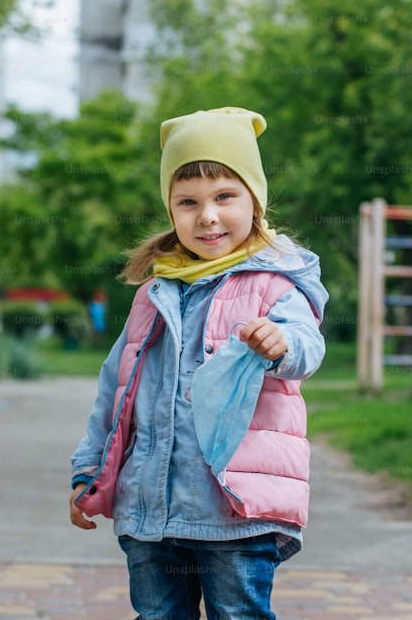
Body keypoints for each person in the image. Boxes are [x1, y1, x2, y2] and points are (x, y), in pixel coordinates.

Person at [69, 106, 328, 620]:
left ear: (254, 200)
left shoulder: (276, 281)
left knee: (238, 614)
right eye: (188, 202)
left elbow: (306, 346)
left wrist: (280, 343)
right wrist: (91, 471)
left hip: (233, 506)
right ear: (171, 211)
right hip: (151, 507)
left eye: (224, 197)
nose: (207, 215)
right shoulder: (155, 291)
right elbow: (115, 387)